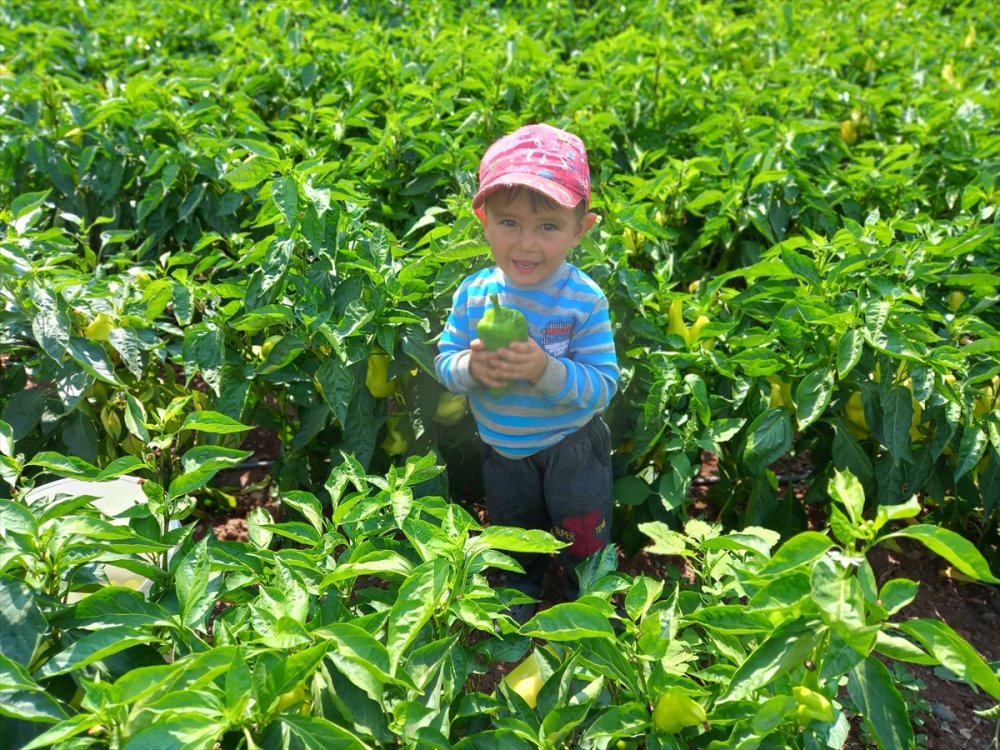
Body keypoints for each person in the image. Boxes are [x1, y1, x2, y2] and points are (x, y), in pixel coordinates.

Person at [435, 123, 620, 623]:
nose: (527, 243)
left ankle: (592, 596)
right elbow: (445, 364)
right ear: (483, 219)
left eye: (548, 226)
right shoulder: (474, 295)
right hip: (504, 450)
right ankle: (522, 587)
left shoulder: (582, 299)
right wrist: (471, 366)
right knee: (515, 530)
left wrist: (545, 370)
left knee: (583, 531)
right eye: (509, 222)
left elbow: (603, 384)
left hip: (571, 449)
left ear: (580, 229)